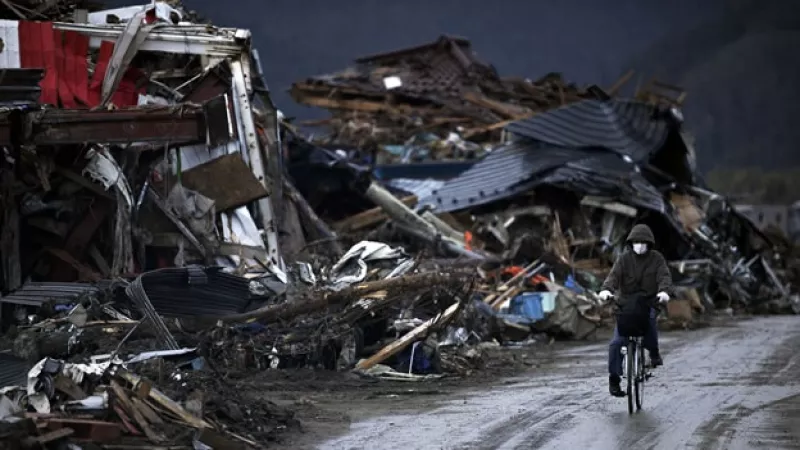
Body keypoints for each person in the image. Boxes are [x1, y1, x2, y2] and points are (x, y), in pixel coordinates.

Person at [598, 224, 673, 397]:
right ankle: (614, 379)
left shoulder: (656, 259)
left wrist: (664, 292)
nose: (639, 245)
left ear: (649, 243)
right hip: (626, 305)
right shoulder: (624, 259)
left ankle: (653, 352)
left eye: (643, 242)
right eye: (636, 242)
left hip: (648, 303)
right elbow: (613, 277)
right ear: (630, 243)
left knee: (650, 322)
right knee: (616, 343)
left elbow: (664, 277)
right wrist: (606, 290)